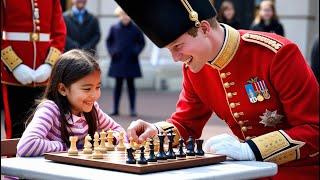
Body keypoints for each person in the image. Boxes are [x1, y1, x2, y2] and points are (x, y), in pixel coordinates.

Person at [115, 0, 319, 179]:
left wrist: (249, 150)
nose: (176, 58)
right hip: (247, 171)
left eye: (177, 46)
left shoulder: (277, 54)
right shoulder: (195, 68)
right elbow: (186, 124)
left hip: (298, 171)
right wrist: (156, 131)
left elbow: (314, 130)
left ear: (204, 28)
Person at [16, 49, 126, 157]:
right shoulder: (50, 110)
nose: (94, 95)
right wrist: (68, 147)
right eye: (87, 89)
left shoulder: (92, 109)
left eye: (98, 87)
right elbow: (26, 146)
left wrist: (110, 140)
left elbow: (120, 131)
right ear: (63, 89)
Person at [1, 0, 66, 139]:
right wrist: (15, 65)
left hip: (44, 73)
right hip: (13, 75)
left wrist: (50, 64)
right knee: (16, 128)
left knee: (46, 126)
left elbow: (59, 33)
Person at [106, 6, 145, 117]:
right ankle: (115, 108)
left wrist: (135, 51)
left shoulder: (135, 29)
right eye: (123, 14)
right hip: (118, 61)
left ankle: (132, 109)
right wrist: (112, 52)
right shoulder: (114, 28)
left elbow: (141, 42)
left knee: (131, 86)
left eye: (127, 15)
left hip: (131, 61)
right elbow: (109, 41)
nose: (125, 17)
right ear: (120, 15)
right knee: (117, 86)